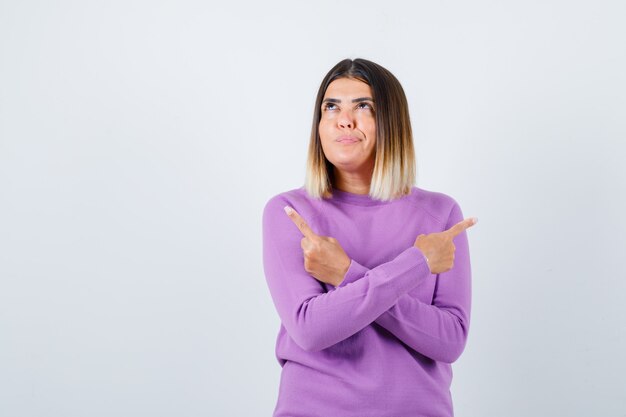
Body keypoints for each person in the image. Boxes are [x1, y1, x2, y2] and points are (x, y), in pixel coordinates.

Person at [261, 58, 477, 417]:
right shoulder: (289, 212)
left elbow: (450, 341)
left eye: (363, 106)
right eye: (331, 107)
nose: (344, 119)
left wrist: (347, 273)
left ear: (392, 123)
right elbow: (310, 329)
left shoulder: (440, 215)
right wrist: (417, 263)